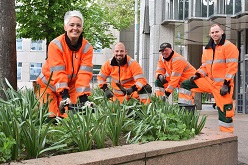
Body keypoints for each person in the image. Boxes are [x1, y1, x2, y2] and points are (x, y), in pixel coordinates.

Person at [180, 24, 239, 132]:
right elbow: (204, 67)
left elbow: (232, 67)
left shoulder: (229, 46)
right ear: (210, 34)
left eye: (216, 32)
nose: (214, 34)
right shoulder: (207, 49)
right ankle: (187, 115)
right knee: (186, 84)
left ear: (222, 32)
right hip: (209, 82)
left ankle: (227, 137)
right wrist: (197, 75)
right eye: (212, 32)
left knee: (225, 112)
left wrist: (226, 84)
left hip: (222, 86)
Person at [36, 10, 94, 119]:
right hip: (47, 86)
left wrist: (83, 98)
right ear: (65, 27)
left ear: (82, 28)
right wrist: (64, 95)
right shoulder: (55, 45)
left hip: (70, 88)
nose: (75, 28)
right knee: (49, 117)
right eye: (71, 25)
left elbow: (84, 73)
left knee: (69, 119)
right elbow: (58, 72)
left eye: (78, 25)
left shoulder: (87, 48)